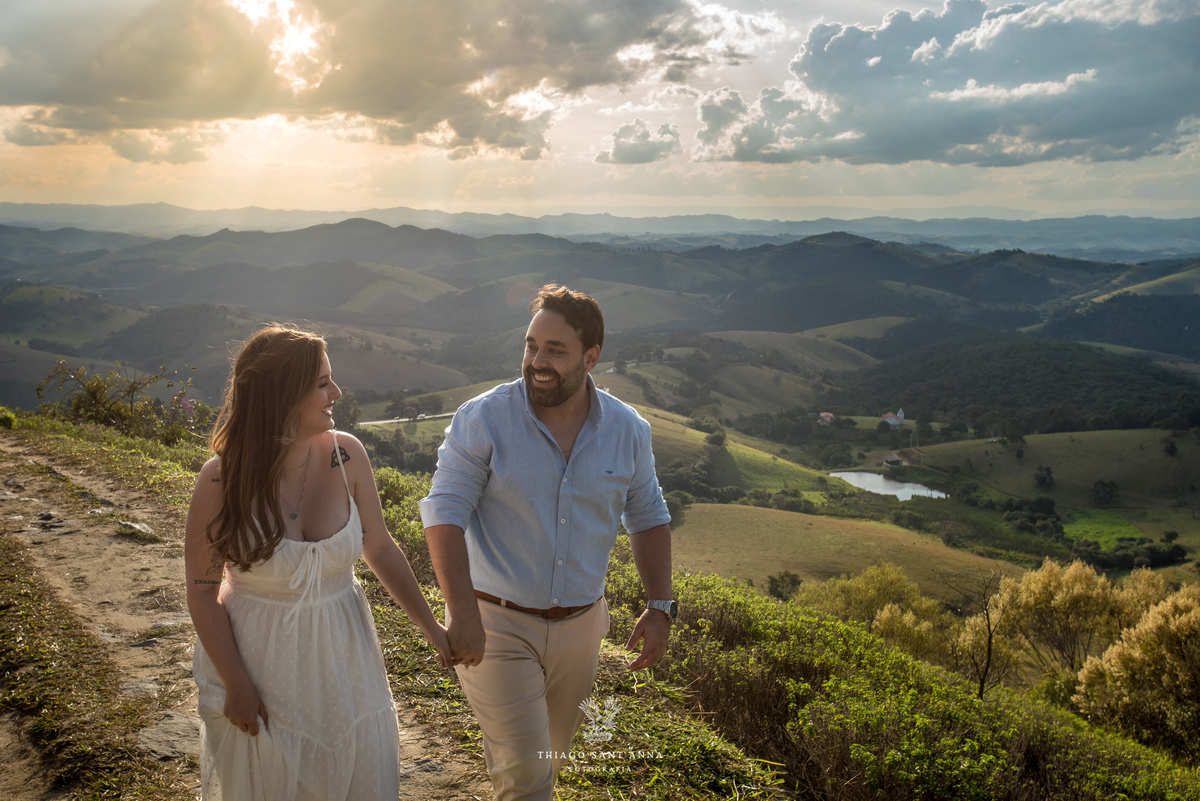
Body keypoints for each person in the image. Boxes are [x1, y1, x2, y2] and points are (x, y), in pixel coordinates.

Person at [420, 284, 676, 801]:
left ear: (591, 356)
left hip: (582, 628)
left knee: (548, 757)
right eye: (532, 346)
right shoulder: (483, 418)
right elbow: (444, 513)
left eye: (555, 351)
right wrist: (461, 610)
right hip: (495, 624)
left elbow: (647, 516)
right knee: (528, 782)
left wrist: (659, 605)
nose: (537, 361)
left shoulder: (628, 430)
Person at [185, 324, 451, 800]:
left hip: (346, 660)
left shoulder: (346, 455)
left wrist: (432, 629)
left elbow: (380, 547)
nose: (338, 392)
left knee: (360, 774)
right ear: (282, 394)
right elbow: (203, 592)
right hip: (261, 666)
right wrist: (236, 684)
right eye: (322, 382)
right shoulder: (220, 481)